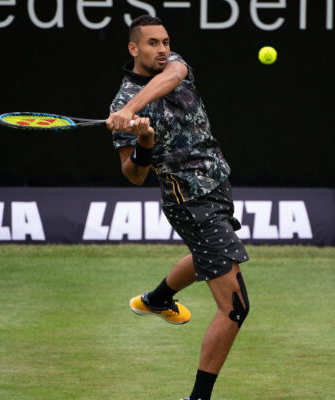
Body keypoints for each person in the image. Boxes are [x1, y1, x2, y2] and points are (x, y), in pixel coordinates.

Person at [105, 15, 250, 400]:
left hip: (217, 182)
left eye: (165, 41)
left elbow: (172, 76)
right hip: (189, 199)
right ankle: (198, 397)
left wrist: (133, 108)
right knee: (235, 308)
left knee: (205, 255)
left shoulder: (170, 69)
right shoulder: (120, 104)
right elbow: (134, 174)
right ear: (134, 48)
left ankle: (156, 299)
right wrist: (145, 141)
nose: (163, 49)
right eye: (152, 43)